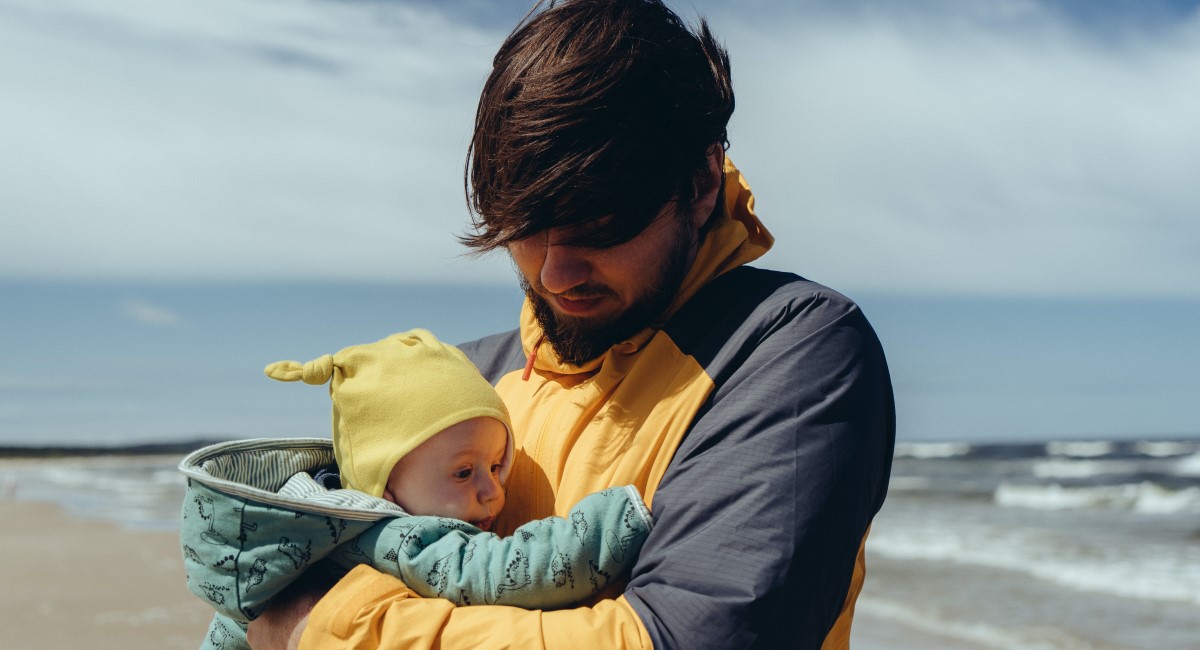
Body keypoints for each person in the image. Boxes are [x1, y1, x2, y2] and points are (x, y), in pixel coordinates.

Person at [248, 1, 895, 648]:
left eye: (599, 229)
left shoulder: (788, 351)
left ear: (699, 184)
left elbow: (681, 638)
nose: (554, 275)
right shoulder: (465, 384)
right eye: (523, 232)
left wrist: (325, 627)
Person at [180, 330, 651, 650]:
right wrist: (617, 519)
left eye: (496, 464)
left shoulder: (309, 525)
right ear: (384, 486)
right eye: (464, 473)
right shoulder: (399, 536)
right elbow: (502, 572)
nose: (493, 492)